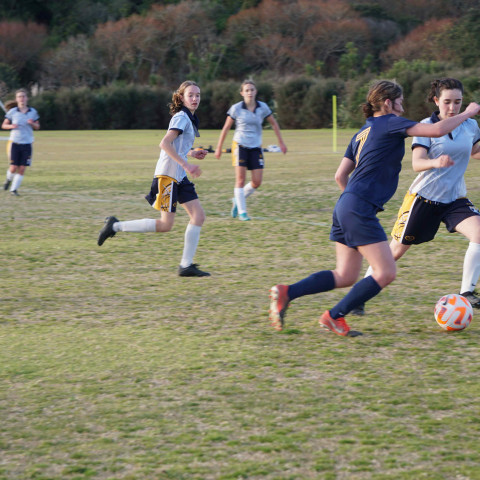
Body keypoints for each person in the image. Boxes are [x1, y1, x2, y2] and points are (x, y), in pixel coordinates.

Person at [268, 80, 480, 336]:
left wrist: (352, 200)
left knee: (345, 274)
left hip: (346, 205)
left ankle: (287, 292)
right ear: (388, 103)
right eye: (400, 103)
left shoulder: (361, 132)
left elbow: (340, 175)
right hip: (358, 208)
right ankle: (333, 316)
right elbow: (435, 131)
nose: (402, 109)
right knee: (386, 271)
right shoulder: (389, 121)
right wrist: (468, 112)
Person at [351, 78, 480, 315]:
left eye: (458, 102)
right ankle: (358, 296)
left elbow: (475, 152)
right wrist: (436, 161)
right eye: (447, 102)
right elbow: (417, 163)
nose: (453, 108)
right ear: (436, 101)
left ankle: (467, 293)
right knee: (393, 253)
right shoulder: (425, 125)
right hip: (424, 199)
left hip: (454, 199)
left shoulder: (470, 126)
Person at [97, 80, 210, 277]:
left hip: (179, 177)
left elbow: (177, 147)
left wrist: (191, 154)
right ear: (182, 98)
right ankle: (114, 226)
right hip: (168, 176)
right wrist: (186, 164)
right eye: (190, 95)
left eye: (198, 95)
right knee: (166, 225)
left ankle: (186, 266)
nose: (195, 98)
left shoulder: (191, 118)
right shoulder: (181, 117)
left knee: (198, 216)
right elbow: (164, 143)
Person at [214, 79, 287, 221]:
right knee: (240, 180)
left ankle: (237, 199)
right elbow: (226, 128)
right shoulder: (236, 108)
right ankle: (242, 212)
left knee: (257, 181)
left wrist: (281, 143)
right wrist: (218, 148)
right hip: (240, 145)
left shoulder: (263, 107)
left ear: (256, 92)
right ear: (242, 93)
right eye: (247, 90)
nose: (250, 92)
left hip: (256, 147)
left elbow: (274, 124)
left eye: (252, 90)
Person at [2, 89, 40, 196]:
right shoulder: (12, 112)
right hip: (15, 143)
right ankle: (8, 180)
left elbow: (37, 126)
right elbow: (4, 125)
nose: (22, 98)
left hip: (27, 143)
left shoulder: (32, 112)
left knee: (22, 168)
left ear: (27, 98)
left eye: (23, 96)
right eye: (19, 97)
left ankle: (14, 190)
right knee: (13, 167)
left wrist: (32, 124)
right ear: (16, 99)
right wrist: (11, 126)